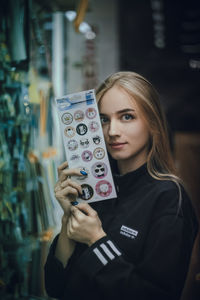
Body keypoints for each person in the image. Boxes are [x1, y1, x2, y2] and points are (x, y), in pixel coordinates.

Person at [44, 71, 198, 300]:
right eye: (104, 119)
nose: (112, 132)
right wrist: (68, 218)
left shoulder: (169, 198)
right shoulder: (96, 190)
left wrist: (96, 240)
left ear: (153, 123)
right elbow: (55, 286)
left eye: (127, 117)